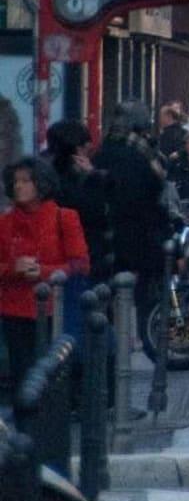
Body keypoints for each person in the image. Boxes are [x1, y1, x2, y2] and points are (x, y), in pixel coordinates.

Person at [0, 157, 89, 393]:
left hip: (54, 309)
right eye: (15, 181)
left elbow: (80, 263)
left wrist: (44, 272)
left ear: (41, 184)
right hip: (15, 310)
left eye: (26, 181)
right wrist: (13, 268)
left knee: (53, 375)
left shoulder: (64, 217)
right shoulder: (4, 223)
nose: (19, 186)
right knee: (23, 375)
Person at [93, 101, 173, 322]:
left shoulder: (104, 150)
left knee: (109, 289)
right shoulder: (142, 152)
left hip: (109, 229)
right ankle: (142, 329)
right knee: (145, 287)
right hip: (139, 228)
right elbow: (154, 186)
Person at [45, 120, 113, 284]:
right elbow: (96, 213)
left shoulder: (43, 173)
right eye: (84, 145)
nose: (90, 147)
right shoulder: (80, 180)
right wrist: (94, 178)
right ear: (76, 149)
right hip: (83, 253)